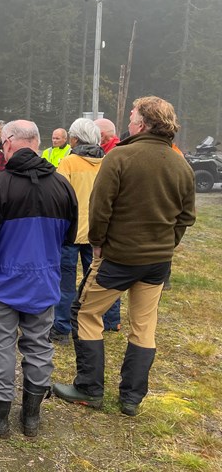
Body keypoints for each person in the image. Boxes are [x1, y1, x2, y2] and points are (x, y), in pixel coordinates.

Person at [54, 97, 195, 417]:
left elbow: (100, 208)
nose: (128, 122)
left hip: (118, 258)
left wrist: (98, 243)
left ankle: (89, 389)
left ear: (143, 124)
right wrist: (166, 244)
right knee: (144, 327)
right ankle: (131, 398)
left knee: (84, 314)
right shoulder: (180, 163)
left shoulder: (119, 157)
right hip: (157, 262)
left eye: (131, 117)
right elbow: (186, 217)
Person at [0, 120, 78, 438]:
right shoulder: (62, 186)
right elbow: (69, 237)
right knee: (39, 346)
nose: (1, 148)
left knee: (0, 346)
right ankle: (31, 416)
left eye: (2, 143)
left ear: (12, 142)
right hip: (43, 281)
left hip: (2, 283)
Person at [50, 119, 106, 344]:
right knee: (98, 281)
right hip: (98, 233)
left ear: (74, 139)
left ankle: (62, 329)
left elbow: (58, 197)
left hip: (71, 232)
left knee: (65, 283)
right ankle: (103, 323)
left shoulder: (69, 162)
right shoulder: (107, 162)